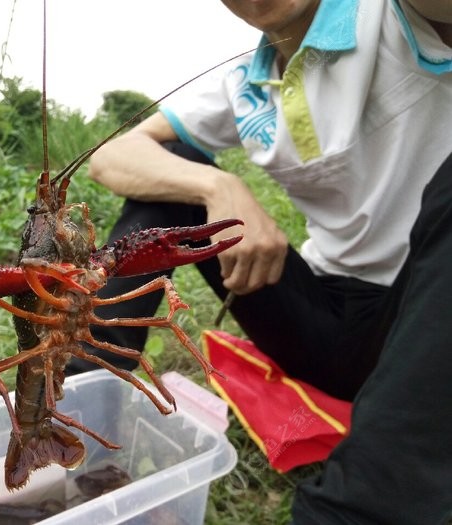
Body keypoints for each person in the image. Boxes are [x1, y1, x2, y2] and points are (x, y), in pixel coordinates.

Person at [66, 0, 452, 523]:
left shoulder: (393, 15)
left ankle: (364, 507)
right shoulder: (243, 82)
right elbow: (110, 156)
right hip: (318, 320)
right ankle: (77, 408)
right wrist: (217, 184)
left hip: (423, 323)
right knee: (174, 168)